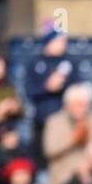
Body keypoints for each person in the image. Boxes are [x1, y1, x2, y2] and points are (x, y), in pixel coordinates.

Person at [25, 21, 73, 153]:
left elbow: (78, 90)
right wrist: (47, 87)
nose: (64, 44)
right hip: (42, 121)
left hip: (66, 121)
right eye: (60, 41)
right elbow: (29, 91)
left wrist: (61, 85)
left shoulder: (70, 63)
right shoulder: (34, 63)